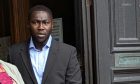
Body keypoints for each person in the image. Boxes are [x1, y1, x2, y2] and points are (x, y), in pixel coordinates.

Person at [8, 5, 82, 84]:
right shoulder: (14, 53)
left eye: (45, 22)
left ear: (52, 25)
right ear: (28, 24)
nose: (41, 27)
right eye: (35, 22)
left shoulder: (68, 52)